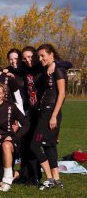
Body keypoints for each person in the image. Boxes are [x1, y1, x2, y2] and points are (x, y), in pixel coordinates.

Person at [30, 44, 67, 190]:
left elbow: (62, 94)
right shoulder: (47, 70)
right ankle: (57, 180)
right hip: (44, 112)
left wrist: (54, 116)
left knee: (34, 145)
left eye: (42, 55)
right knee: (49, 145)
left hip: (51, 113)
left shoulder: (58, 70)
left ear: (51, 55)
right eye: (38, 56)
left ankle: (49, 178)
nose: (40, 59)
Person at [0, 82, 29, 192]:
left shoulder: (11, 107)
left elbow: (26, 124)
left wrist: (14, 137)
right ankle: (20, 173)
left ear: (4, 94)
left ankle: (7, 181)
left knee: (6, 145)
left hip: (10, 144)